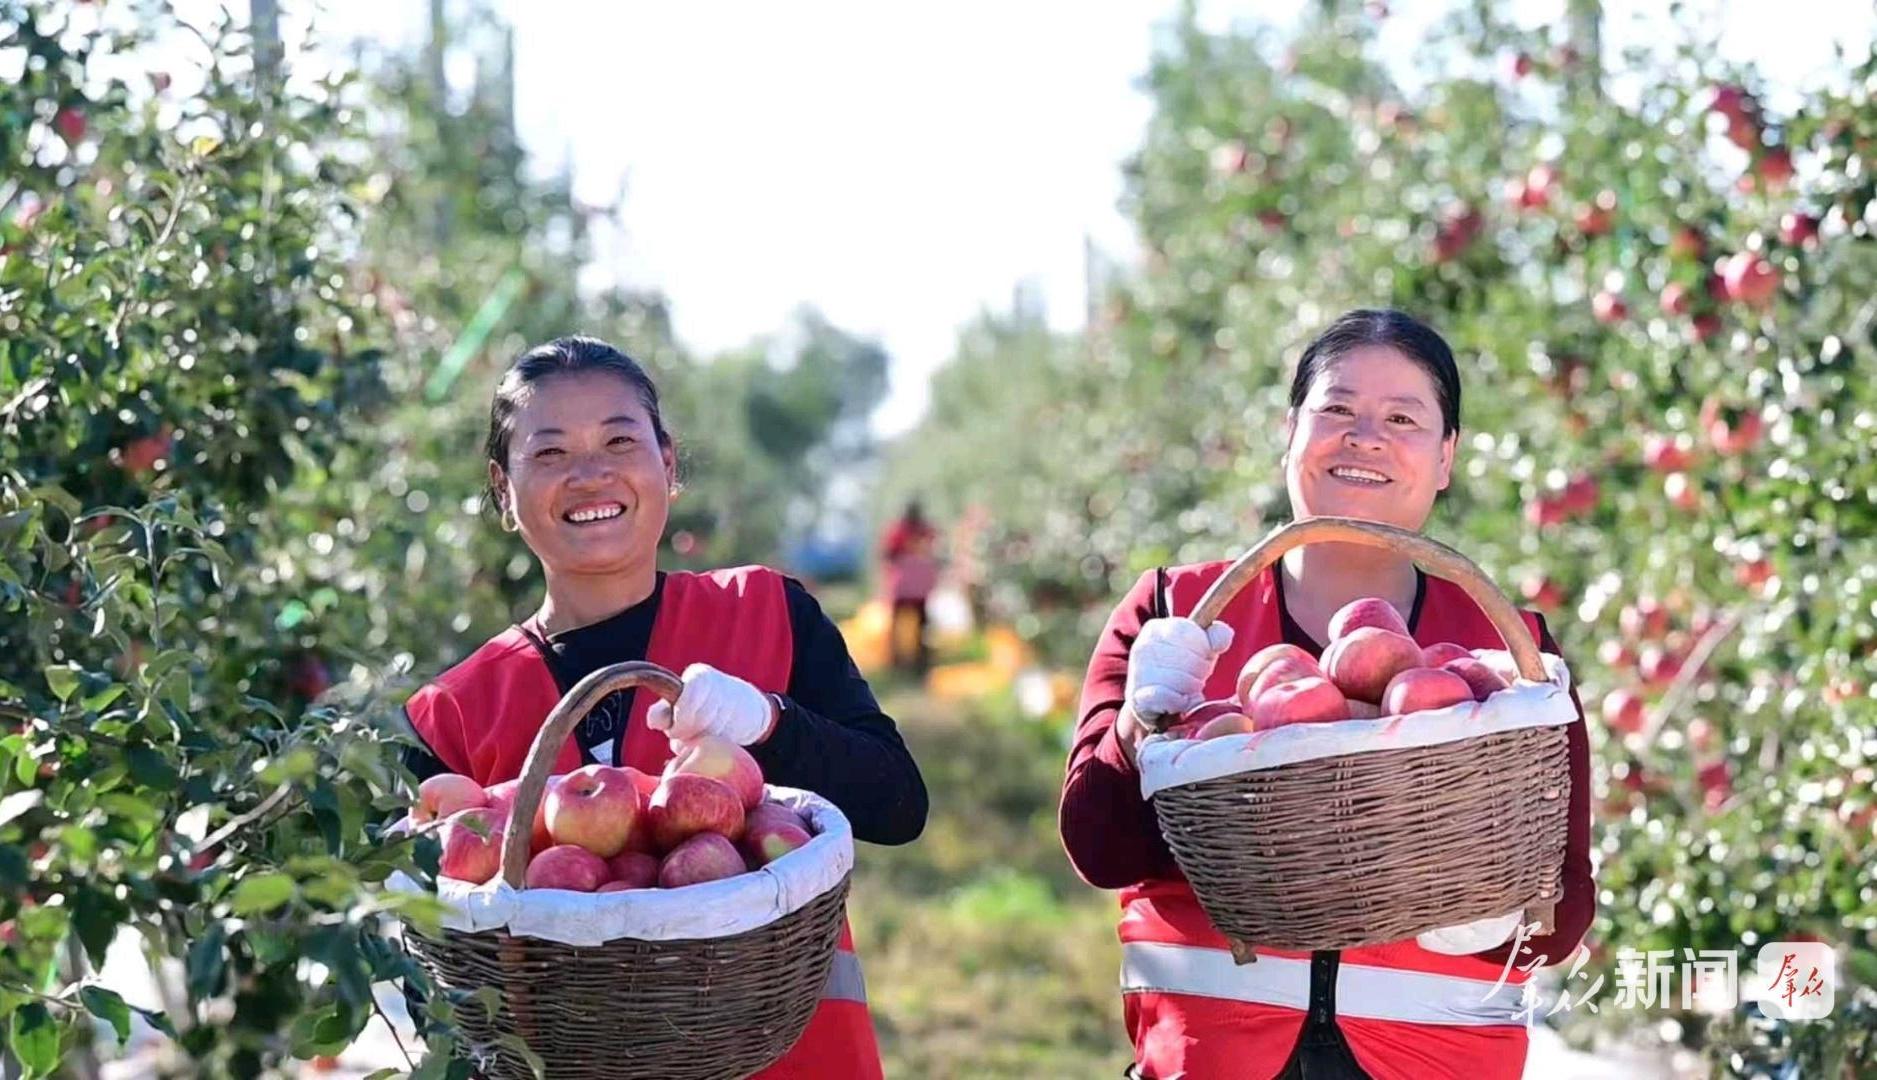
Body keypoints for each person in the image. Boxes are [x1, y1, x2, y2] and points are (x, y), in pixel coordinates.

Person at [1058, 309, 1595, 1080]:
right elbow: (1098, 848)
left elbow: (1565, 907)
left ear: (1445, 458)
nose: (1364, 436)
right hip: (1213, 1058)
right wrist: (1140, 727)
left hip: (1429, 1060)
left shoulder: (1506, 651)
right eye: (1336, 409)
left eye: (1401, 418)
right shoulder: (1177, 615)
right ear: (1289, 431)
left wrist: (1493, 916)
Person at [403, 335, 928, 1079]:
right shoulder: (450, 713)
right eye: (549, 453)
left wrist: (767, 722)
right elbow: (437, 969)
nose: (591, 475)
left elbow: (897, 804)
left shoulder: (767, 614)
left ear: (668, 464)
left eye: (620, 440)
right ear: (501, 490)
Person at [878, 500, 939, 672]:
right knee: (913, 625)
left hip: (909, 587)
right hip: (910, 587)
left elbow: (887, 555)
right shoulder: (919, 532)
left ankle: (913, 661)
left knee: (916, 625)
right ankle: (906, 661)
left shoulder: (903, 531)